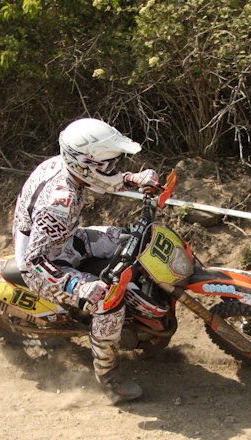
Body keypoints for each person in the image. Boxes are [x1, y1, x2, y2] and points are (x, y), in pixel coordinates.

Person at [12, 118, 161, 403]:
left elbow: (97, 176)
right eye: (108, 163)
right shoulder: (60, 203)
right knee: (107, 300)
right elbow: (36, 261)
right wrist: (79, 287)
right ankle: (108, 375)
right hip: (44, 264)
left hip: (62, 239)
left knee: (131, 238)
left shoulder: (66, 166)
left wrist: (133, 179)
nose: (113, 167)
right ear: (84, 162)